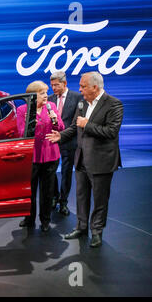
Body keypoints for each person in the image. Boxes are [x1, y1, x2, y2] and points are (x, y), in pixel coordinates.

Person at [45, 71, 123, 247]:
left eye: (83, 86)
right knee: (81, 196)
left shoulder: (114, 104)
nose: (80, 90)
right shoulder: (82, 103)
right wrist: (61, 136)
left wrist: (87, 124)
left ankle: (97, 232)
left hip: (102, 161)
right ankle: (81, 227)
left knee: (100, 199)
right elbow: (74, 126)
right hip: (81, 158)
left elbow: (111, 132)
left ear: (95, 87)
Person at [17, 81, 64, 232]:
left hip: (50, 154)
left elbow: (61, 127)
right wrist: (32, 124)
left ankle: (45, 220)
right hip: (32, 155)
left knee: (47, 190)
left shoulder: (52, 107)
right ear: (32, 95)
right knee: (30, 189)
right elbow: (20, 132)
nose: (46, 96)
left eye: (45, 92)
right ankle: (29, 218)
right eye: (42, 93)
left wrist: (55, 121)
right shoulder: (22, 110)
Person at [48, 71, 83, 216]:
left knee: (66, 173)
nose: (54, 88)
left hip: (69, 141)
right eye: (52, 85)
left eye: (56, 85)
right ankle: (54, 196)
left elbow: (76, 123)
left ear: (65, 83)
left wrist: (61, 135)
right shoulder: (49, 99)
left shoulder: (77, 97)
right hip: (52, 141)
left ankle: (63, 201)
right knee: (51, 172)